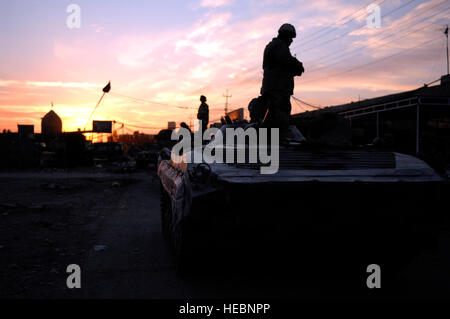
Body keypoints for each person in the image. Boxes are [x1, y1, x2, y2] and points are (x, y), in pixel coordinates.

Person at [260, 23, 304, 139]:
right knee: (280, 119)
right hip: (278, 90)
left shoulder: (273, 46)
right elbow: (288, 62)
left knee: (272, 117)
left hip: (274, 89)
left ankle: (271, 142)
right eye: (291, 38)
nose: (291, 41)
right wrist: (298, 65)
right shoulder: (279, 46)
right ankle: (279, 144)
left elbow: (283, 66)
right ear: (286, 35)